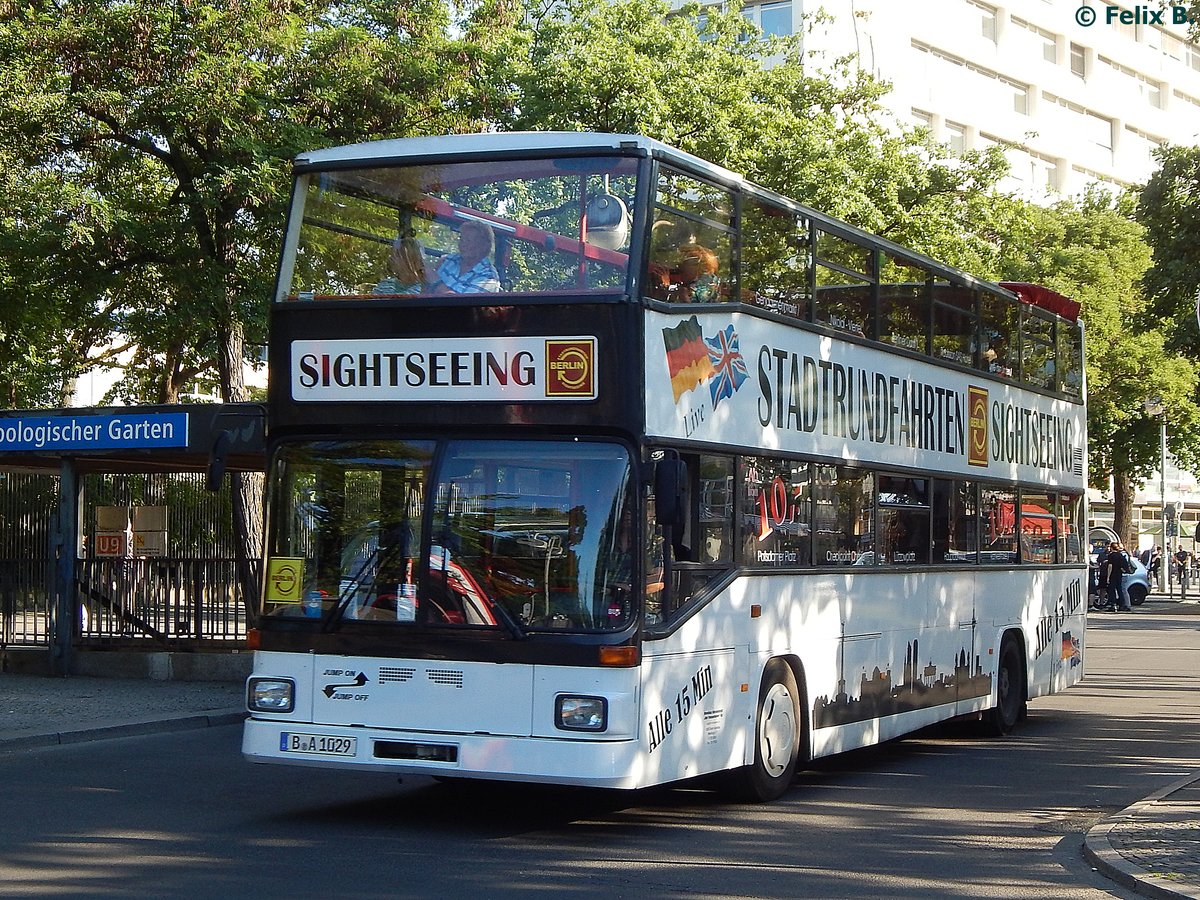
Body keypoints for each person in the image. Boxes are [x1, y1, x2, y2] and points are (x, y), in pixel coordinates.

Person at [428, 220, 501, 294]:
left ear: (484, 246)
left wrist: (436, 282)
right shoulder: (448, 260)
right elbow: (425, 289)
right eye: (462, 239)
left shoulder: (489, 278)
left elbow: (461, 303)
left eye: (468, 240)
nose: (462, 244)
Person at [1100, 540, 1133, 612]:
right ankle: (1122, 605)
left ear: (1111, 548)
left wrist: (1108, 577)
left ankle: (1113, 604)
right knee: (1119, 589)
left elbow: (1110, 566)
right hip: (1119, 574)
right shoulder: (1120, 555)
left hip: (1113, 574)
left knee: (1112, 590)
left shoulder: (1111, 555)